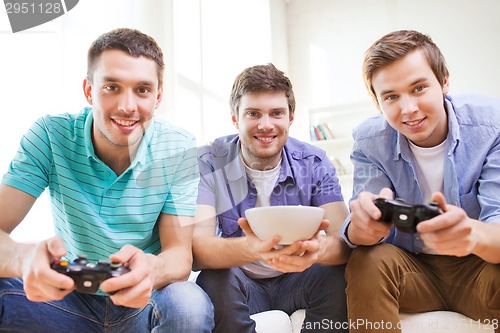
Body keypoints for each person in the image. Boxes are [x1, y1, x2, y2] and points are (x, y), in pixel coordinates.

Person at [0, 28, 214, 332]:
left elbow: (179, 254)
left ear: (158, 97)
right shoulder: (50, 135)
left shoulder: (178, 148)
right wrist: (25, 259)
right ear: (89, 91)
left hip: (142, 301)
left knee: (189, 303)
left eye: (142, 90)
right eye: (112, 87)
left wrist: (153, 270)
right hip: (66, 302)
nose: (128, 106)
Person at [342, 29, 500, 332]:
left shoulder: (492, 126)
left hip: (480, 266)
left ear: (444, 82)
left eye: (418, 88)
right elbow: (360, 227)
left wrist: (471, 234)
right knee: (367, 258)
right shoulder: (368, 141)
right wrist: (362, 227)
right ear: (377, 103)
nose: (408, 109)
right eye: (391, 96)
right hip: (413, 271)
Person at [193, 63, 350, 332]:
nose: (266, 125)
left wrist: (317, 250)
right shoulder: (209, 161)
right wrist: (252, 249)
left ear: (290, 117)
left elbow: (344, 241)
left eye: (276, 113)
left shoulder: (314, 162)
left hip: (300, 277)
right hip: (241, 281)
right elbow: (197, 249)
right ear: (235, 118)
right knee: (214, 279)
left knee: (337, 275)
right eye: (253, 114)